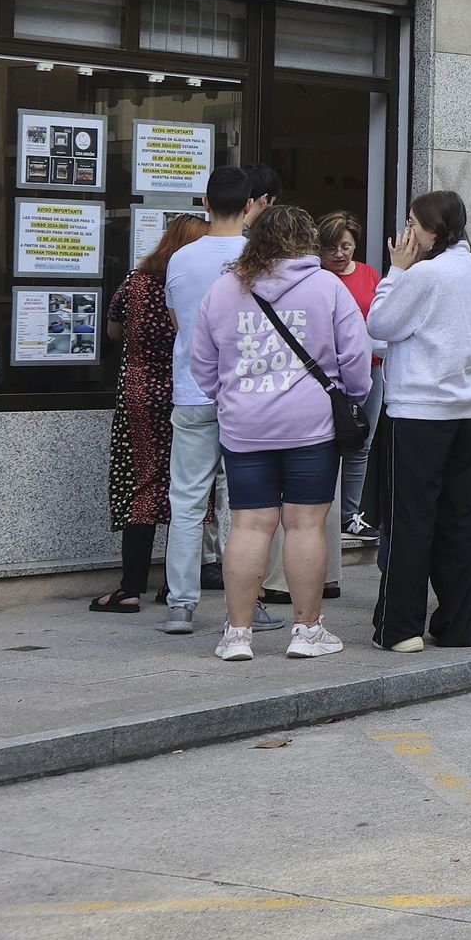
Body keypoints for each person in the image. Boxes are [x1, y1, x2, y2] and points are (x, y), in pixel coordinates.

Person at [190, 204, 371, 661]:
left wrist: (232, 395)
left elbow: (202, 364)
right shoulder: (328, 286)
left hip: (244, 427)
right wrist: (351, 394)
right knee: (305, 525)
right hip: (311, 426)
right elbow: (355, 359)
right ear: (307, 241)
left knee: (249, 524)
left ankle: (236, 634)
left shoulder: (224, 288)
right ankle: (306, 630)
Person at [366, 192, 471, 651]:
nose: (406, 234)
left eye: (412, 224)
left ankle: (401, 627)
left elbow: (379, 323)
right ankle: (456, 624)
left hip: (417, 411)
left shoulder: (422, 274)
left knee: (410, 519)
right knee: (462, 520)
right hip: (467, 409)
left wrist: (396, 271)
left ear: (432, 230)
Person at [159, 166, 271, 638]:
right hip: (247, 395)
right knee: (245, 507)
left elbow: (175, 321)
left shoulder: (180, 259)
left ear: (204, 204)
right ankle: (247, 607)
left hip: (190, 390)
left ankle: (180, 605)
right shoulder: (260, 258)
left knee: (185, 501)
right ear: (249, 206)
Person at [94, 212, 209, 615]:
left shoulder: (136, 282)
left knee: (141, 484)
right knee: (189, 487)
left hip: (140, 391)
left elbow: (112, 331)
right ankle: (175, 586)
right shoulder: (198, 282)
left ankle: (130, 588)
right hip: (186, 389)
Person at [319, 212, 383, 546]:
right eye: (332, 247)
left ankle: (350, 515)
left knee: (362, 441)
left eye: (346, 245)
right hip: (328, 374)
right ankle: (323, 514)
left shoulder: (370, 273)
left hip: (370, 367)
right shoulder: (315, 280)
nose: (340, 254)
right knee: (325, 442)